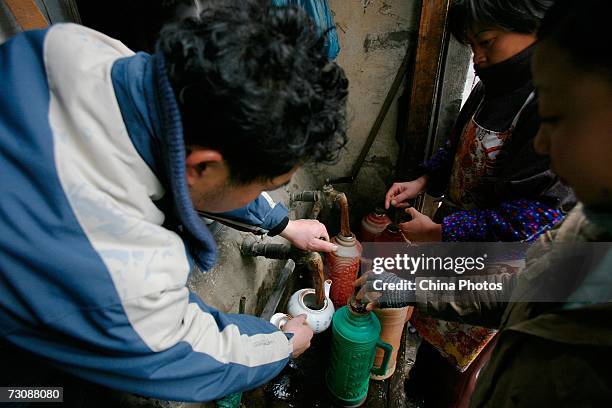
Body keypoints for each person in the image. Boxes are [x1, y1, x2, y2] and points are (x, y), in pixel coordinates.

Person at [0, 0, 348, 403]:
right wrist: (284, 344)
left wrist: (282, 224)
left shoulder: (76, 48)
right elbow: (191, 351)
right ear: (204, 166)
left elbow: (183, 156)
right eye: (262, 185)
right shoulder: (116, 266)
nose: (258, 194)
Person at [357, 0, 612, 404]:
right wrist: (412, 284)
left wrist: (442, 234)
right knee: (431, 363)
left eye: (558, 120)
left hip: (483, 247)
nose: (543, 144)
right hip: (460, 255)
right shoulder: (588, 226)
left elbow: (522, 241)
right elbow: (516, 289)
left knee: (454, 371)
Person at [385, 0, 574, 243]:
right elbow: (458, 146)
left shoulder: (555, 106)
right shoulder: (489, 87)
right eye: (472, 46)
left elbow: (537, 216)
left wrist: (441, 232)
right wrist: (423, 181)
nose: (477, 58)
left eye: (486, 42)